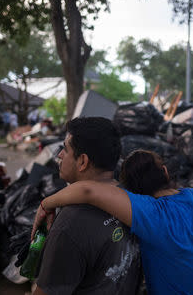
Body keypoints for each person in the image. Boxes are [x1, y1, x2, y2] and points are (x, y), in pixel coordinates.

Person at [32, 150, 193, 295]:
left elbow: (87, 191)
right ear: (165, 173)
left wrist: (46, 204)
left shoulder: (149, 212)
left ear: (132, 191)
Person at [33, 117, 141, 295]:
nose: (59, 155)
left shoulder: (71, 224)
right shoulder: (132, 199)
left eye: (65, 149)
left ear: (82, 161)